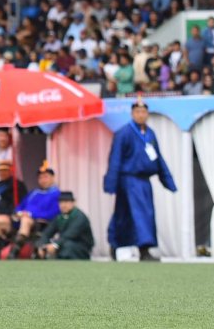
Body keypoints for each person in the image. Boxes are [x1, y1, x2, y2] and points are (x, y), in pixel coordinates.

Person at [103, 97, 176, 261]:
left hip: (144, 181)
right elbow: (115, 159)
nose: (141, 115)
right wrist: (111, 183)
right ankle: (124, 245)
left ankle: (142, 248)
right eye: (138, 112)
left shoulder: (150, 134)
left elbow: (158, 158)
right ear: (132, 113)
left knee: (137, 214)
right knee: (136, 214)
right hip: (128, 180)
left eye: (143, 112)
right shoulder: (124, 133)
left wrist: (168, 181)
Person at [2, 162, 61, 259]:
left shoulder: (56, 194)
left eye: (46, 177)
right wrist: (18, 213)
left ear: (52, 178)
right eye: (40, 177)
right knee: (3, 221)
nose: (43, 180)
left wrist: (31, 214)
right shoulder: (33, 193)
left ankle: (13, 253)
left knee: (26, 221)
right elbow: (20, 206)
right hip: (22, 220)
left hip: (41, 223)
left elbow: (53, 213)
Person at [35, 191, 95, 260]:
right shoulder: (59, 217)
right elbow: (47, 233)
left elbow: (70, 234)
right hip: (64, 243)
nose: (63, 205)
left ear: (73, 203)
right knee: (39, 246)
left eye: (66, 202)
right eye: (61, 202)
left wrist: (55, 245)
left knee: (67, 246)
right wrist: (42, 245)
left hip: (81, 247)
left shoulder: (79, 217)